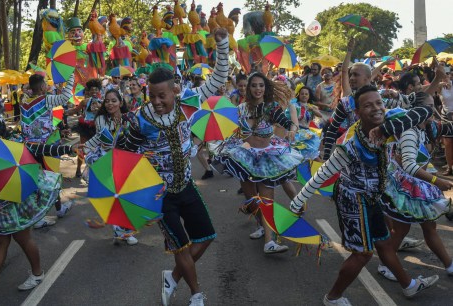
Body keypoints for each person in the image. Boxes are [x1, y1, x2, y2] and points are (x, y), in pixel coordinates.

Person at [290, 85, 440, 306]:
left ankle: (409, 286)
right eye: (368, 106)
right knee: (363, 254)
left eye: (379, 103)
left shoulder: (389, 125)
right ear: (358, 113)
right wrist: (298, 201)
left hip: (372, 197)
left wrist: (388, 125)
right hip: (352, 200)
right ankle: (333, 298)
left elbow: (424, 110)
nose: (376, 109)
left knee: (385, 244)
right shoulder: (351, 146)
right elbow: (322, 174)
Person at [122, 28, 229, 306]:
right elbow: (123, 154)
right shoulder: (140, 120)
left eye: (162, 96)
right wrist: (141, 189)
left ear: (175, 91)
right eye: (151, 96)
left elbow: (219, 77)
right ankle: (196, 296)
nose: (156, 102)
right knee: (181, 247)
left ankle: (172, 278)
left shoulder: (188, 103)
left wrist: (222, 43)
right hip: (161, 197)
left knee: (205, 238)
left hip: (186, 187)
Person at [214, 72, 301, 253]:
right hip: (245, 156)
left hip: (267, 156)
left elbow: (286, 122)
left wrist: (292, 129)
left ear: (265, 87)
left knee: (267, 199)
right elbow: (232, 130)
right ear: (248, 88)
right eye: (254, 85)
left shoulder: (272, 107)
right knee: (252, 200)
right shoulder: (241, 109)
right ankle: (262, 225)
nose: (258, 89)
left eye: (261, 85)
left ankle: (270, 242)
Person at [379, 92, 453, 281]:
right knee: (402, 230)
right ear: (416, 111)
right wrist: (438, 181)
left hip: (418, 186)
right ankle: (385, 265)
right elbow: (410, 165)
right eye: (429, 106)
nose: (433, 110)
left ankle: (449, 264)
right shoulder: (410, 131)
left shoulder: (426, 128)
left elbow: (448, 128)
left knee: (430, 226)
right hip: (404, 189)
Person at [0, 142, 79, 294]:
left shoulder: (7, 141)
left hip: (14, 202)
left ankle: (37, 274)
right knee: (0, 242)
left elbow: (38, 148)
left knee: (22, 238)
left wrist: (68, 148)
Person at [84, 89, 138, 245]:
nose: (109, 104)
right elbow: (103, 136)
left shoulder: (129, 118)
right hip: (108, 162)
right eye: (107, 101)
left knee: (128, 197)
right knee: (116, 197)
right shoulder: (101, 119)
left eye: (113, 101)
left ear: (121, 102)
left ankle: (123, 230)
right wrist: (85, 147)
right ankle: (121, 231)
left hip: (127, 161)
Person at [20, 73, 75, 228]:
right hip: (44, 147)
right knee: (49, 177)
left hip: (28, 146)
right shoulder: (45, 99)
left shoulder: (24, 100)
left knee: (45, 177)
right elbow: (65, 97)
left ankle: (59, 208)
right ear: (43, 86)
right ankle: (38, 217)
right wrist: (70, 76)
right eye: (45, 84)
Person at [66, 78, 102, 177]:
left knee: (97, 149)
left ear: (99, 90)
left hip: (97, 128)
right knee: (82, 148)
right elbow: (75, 110)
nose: (94, 91)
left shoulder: (103, 102)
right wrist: (66, 112)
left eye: (96, 89)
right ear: (89, 91)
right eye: (92, 90)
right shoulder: (85, 102)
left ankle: (94, 171)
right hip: (85, 128)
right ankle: (78, 169)